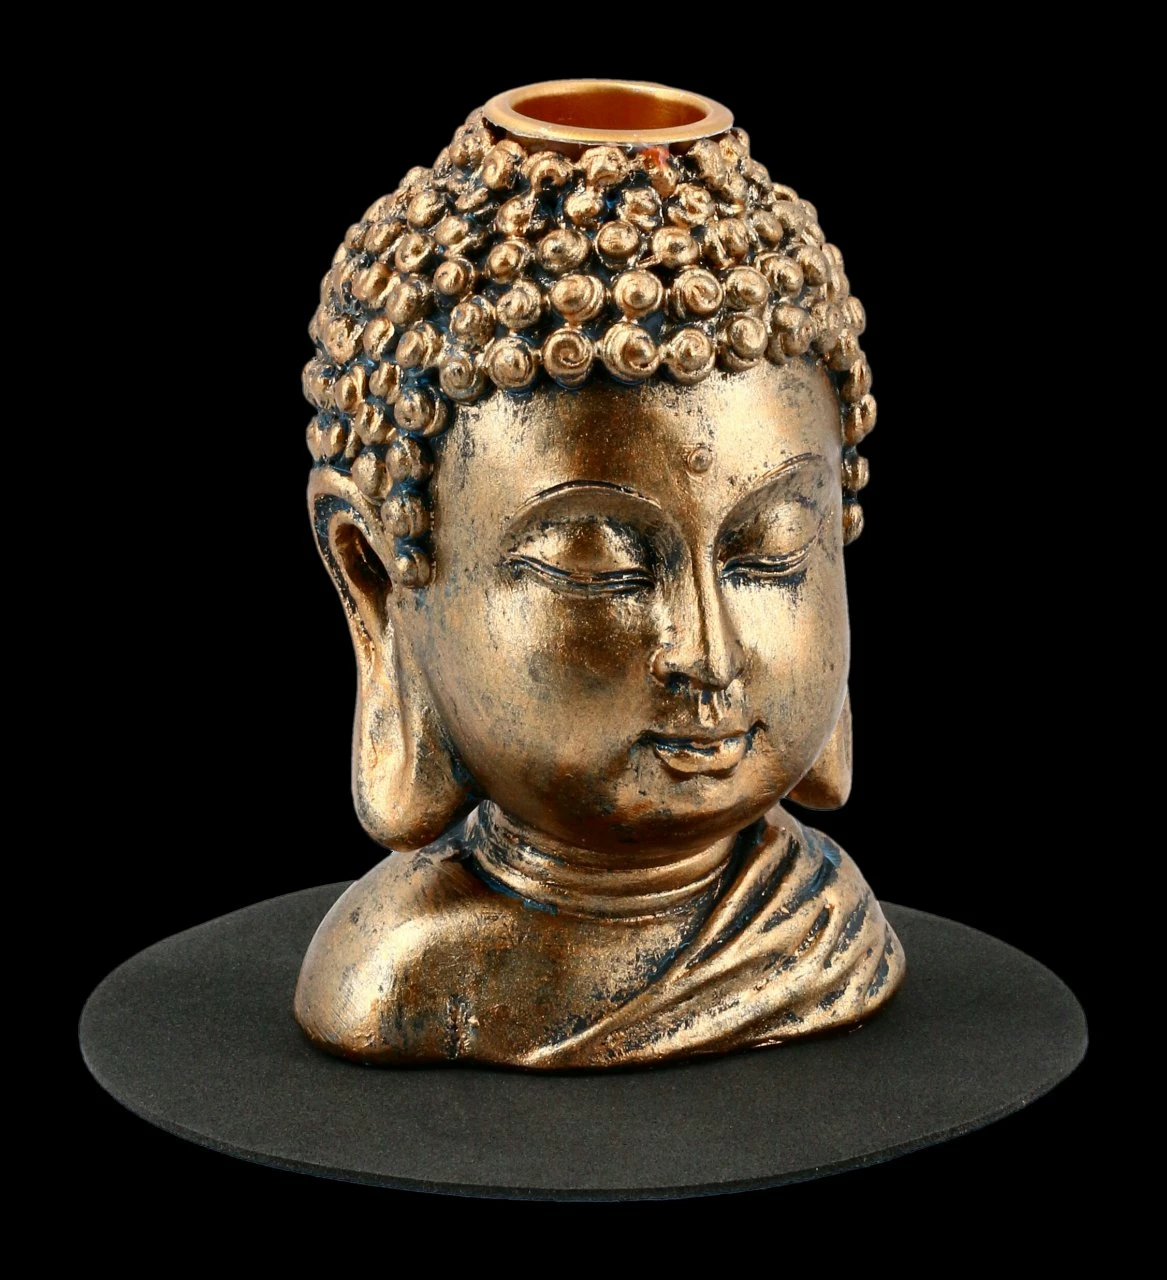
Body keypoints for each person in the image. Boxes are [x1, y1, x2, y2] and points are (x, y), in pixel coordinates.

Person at [293, 85, 904, 1068]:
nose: (706, 654)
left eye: (772, 552)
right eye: (601, 568)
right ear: (376, 578)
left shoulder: (825, 923)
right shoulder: (403, 976)